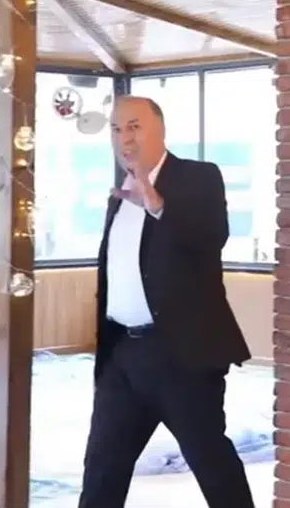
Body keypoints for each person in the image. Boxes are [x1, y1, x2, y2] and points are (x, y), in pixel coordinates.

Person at [79, 95, 253, 508]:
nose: (124, 138)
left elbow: (212, 237)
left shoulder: (198, 177)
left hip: (181, 356)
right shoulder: (120, 192)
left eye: (134, 127)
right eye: (116, 129)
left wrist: (157, 205)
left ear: (159, 129)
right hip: (122, 355)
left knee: (211, 461)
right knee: (102, 467)